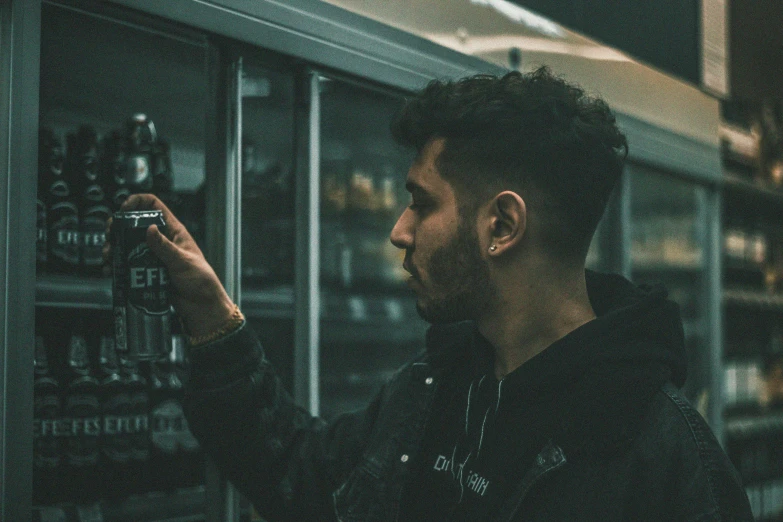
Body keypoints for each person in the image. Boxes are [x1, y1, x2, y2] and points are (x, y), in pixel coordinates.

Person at [118, 67, 753, 521]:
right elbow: (300, 471)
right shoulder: (433, 390)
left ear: (501, 226)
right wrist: (213, 319)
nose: (399, 231)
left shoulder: (670, 465)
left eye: (421, 202)